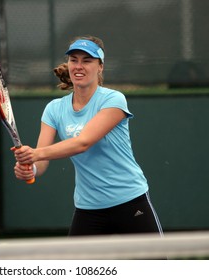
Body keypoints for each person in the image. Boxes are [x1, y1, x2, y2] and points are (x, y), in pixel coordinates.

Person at [12, 35, 163, 236]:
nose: (78, 66)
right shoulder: (53, 110)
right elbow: (41, 161)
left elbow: (83, 142)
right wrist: (30, 168)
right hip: (88, 209)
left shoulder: (113, 100)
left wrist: (35, 154)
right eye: (74, 60)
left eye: (87, 60)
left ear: (100, 66)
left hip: (130, 202)